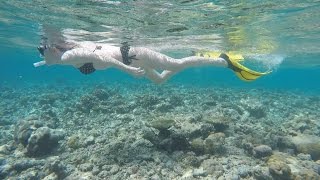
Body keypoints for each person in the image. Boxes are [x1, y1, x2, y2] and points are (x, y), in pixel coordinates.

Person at [34, 39, 270, 83]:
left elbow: (99, 57)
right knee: (159, 81)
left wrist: (126, 69)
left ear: (52, 50)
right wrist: (46, 60)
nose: (40, 56)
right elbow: (96, 57)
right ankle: (201, 57)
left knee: (176, 64)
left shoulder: (67, 56)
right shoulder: (61, 57)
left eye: (41, 51)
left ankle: (223, 60)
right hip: (133, 59)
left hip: (134, 56)